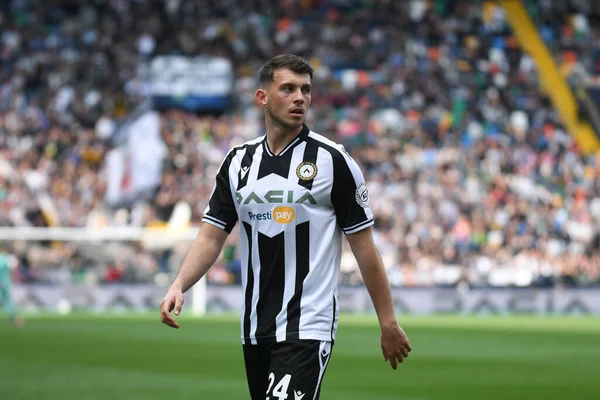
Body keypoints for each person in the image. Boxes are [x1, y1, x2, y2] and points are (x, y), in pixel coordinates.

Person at [160, 54, 412, 399]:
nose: (300, 98)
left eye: (306, 90)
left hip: (307, 325)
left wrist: (388, 322)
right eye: (288, 89)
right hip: (254, 327)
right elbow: (211, 234)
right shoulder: (237, 162)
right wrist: (180, 283)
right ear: (263, 97)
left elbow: (365, 246)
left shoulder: (332, 160)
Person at [0, 251, 23, 327]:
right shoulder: (6, 258)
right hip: (5, 283)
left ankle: (13, 316)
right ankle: (13, 317)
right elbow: (14, 267)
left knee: (6, 300)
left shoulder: (4, 258)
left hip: (3, 282)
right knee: (7, 300)